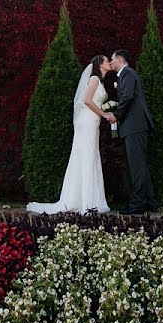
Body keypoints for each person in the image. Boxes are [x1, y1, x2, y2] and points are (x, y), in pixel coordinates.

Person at [26, 55, 113, 215]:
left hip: (92, 122)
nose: (109, 63)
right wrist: (104, 114)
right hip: (87, 121)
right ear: (100, 64)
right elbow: (87, 100)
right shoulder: (94, 79)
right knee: (86, 156)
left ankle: (88, 199)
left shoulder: (99, 81)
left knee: (90, 156)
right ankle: (86, 202)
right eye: (107, 61)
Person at [106, 49, 158, 214]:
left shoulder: (127, 73)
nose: (111, 62)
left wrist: (116, 115)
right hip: (134, 126)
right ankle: (150, 201)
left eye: (112, 59)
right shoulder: (125, 75)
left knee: (136, 166)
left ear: (120, 59)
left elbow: (127, 97)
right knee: (139, 165)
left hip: (134, 125)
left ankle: (137, 205)